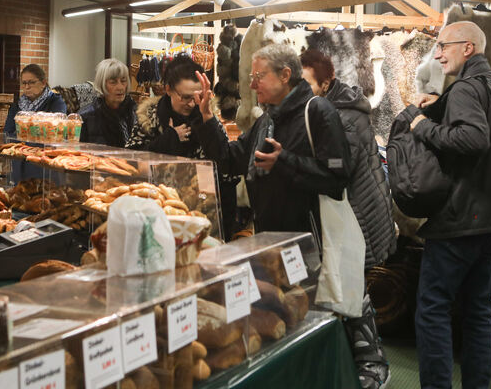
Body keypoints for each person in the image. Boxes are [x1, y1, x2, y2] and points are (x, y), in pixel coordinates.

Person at [410, 21, 491, 389]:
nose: (437, 53)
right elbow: (484, 126)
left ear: (467, 48)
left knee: (432, 310)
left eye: (443, 46)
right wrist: (439, 104)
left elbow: (473, 138)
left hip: (463, 220)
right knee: (477, 313)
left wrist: (423, 125)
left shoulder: (465, 89)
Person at [301, 49, 395, 389]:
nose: (302, 90)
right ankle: (358, 361)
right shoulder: (329, 109)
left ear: (325, 83)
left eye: (307, 83)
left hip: (358, 216)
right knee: (346, 288)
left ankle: (374, 364)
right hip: (346, 215)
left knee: (353, 290)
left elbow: (336, 170)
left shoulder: (343, 117)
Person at [195, 43, 351, 237]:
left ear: (285, 75)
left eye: (258, 77)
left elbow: (337, 174)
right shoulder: (266, 120)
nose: (252, 85)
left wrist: (284, 161)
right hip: (270, 241)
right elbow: (229, 160)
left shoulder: (318, 112)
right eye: (252, 78)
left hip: (310, 246)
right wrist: (207, 117)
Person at [126, 55, 239, 241]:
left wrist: (208, 120)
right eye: (185, 97)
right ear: (168, 89)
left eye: (197, 96)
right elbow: (131, 161)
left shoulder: (207, 116)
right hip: (159, 211)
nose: (192, 103)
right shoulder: (149, 118)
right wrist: (169, 138)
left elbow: (225, 166)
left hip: (204, 216)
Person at [78, 58, 136, 147]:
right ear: (102, 84)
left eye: (123, 81)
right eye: (113, 82)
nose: (120, 87)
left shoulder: (136, 113)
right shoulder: (85, 117)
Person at [4, 64, 67, 136]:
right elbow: (7, 134)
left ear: (43, 83)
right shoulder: (17, 104)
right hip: (20, 146)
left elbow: (56, 133)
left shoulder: (56, 102)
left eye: (32, 82)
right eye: (24, 83)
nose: (27, 87)